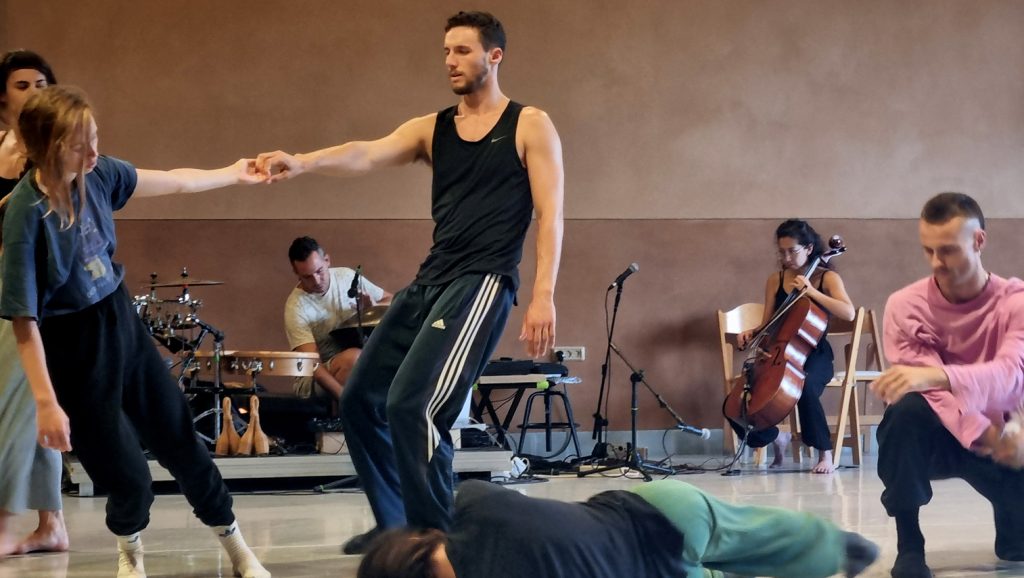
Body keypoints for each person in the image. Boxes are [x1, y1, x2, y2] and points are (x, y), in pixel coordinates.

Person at [255, 10, 563, 551]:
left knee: (414, 405)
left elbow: (551, 214)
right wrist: (300, 162)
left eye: (462, 51)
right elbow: (365, 152)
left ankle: (434, 538)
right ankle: (396, 524)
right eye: (446, 51)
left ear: (494, 56)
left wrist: (543, 296)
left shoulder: (529, 124)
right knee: (360, 400)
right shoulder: (432, 128)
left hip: (482, 281)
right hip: (431, 281)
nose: (450, 61)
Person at [0, 85, 271, 578]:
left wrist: (233, 173)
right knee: (127, 476)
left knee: (180, 440)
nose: (94, 153)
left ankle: (236, 547)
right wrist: (46, 403)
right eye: (79, 145)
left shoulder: (100, 173)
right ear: (49, 148)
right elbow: (24, 320)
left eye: (95, 139)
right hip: (74, 348)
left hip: (120, 320)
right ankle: (130, 552)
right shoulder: (25, 213)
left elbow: (175, 181)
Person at [870, 192, 1024, 578]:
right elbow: (929, 393)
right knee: (905, 411)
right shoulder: (905, 305)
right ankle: (909, 546)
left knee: (1017, 551)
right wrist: (983, 434)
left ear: (979, 241)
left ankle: (1012, 528)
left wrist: (940, 374)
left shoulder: (1016, 302)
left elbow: (1011, 375)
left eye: (948, 250)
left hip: (1004, 442)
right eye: (929, 250)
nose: (937, 262)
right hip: (944, 436)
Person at [356, 479, 880, 578]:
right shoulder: (472, 505)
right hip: (656, 504)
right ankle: (836, 548)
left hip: (658, 570)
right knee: (758, 533)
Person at [0, 49, 68, 557]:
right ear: (3, 96)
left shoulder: (52, 148)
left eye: (41, 84)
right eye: (22, 85)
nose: (33, 92)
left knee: (20, 402)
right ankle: (52, 524)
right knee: (27, 404)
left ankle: (6, 522)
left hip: (30, 291)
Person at [733, 219, 855, 474]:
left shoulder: (826, 277)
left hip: (815, 354)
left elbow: (848, 312)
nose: (786, 258)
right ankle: (775, 436)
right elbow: (768, 323)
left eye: (792, 251)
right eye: (782, 252)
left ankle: (825, 453)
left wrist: (811, 292)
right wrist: (751, 333)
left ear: (809, 248)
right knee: (739, 400)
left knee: (804, 385)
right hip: (779, 353)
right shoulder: (775, 280)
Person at [284, 236, 392, 401]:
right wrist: (344, 399)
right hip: (314, 378)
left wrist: (374, 307)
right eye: (307, 277)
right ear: (296, 273)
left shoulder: (346, 277)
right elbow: (313, 365)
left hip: (356, 361)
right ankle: (342, 413)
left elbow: (391, 300)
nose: (316, 281)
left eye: (319, 271)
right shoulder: (295, 307)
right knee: (354, 358)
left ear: (327, 260)